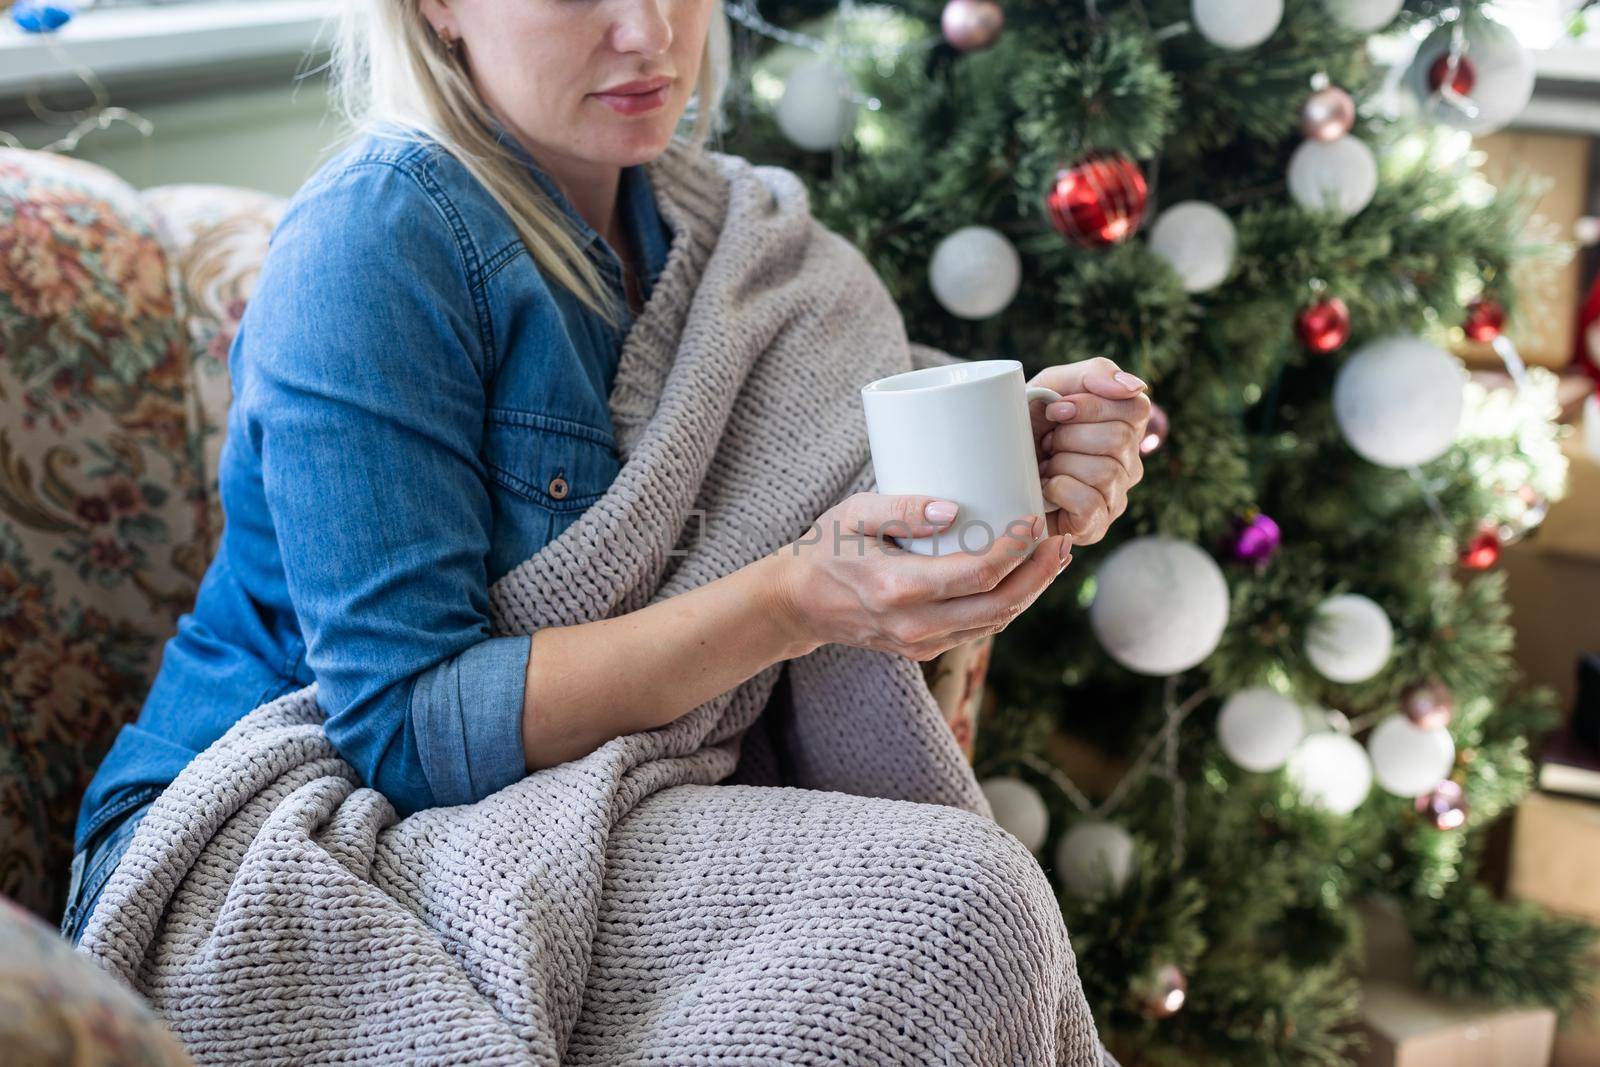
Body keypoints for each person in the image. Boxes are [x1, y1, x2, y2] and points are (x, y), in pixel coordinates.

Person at [62, 0, 1150, 954]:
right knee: (960, 901)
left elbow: (823, 471)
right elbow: (403, 725)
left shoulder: (727, 229)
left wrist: (1019, 458)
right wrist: (786, 601)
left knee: (957, 900)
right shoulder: (375, 234)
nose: (651, 31)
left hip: (596, 796)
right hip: (280, 828)